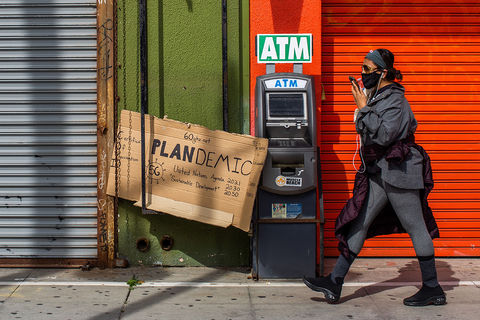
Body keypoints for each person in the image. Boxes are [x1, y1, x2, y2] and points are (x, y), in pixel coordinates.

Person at [303, 48, 446, 306]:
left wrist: (364, 108)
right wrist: (365, 107)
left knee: (416, 226)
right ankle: (335, 283)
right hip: (381, 171)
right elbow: (368, 131)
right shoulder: (378, 95)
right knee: (360, 222)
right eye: (363, 68)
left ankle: (433, 288)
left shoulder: (396, 100)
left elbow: (385, 135)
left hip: (400, 171)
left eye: (368, 69)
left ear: (383, 72)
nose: (363, 73)